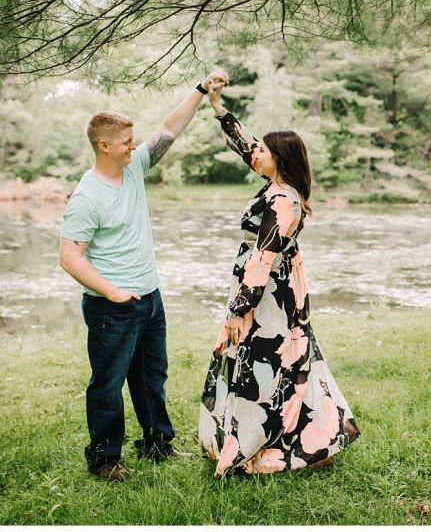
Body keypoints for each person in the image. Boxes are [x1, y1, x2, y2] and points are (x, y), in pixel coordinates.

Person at [60, 71, 227, 482]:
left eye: (133, 140)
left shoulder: (132, 167)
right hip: (111, 305)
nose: (133, 147)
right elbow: (69, 257)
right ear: (104, 145)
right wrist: (114, 293)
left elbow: (169, 129)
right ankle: (103, 459)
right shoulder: (87, 196)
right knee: (108, 384)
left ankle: (157, 444)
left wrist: (201, 91)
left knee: (152, 378)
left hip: (149, 298)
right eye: (125, 142)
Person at [198, 70, 360, 476]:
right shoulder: (275, 183)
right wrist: (217, 106)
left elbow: (264, 256)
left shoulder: (284, 200)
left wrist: (240, 308)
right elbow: (245, 144)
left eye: (265, 151)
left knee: (267, 360)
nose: (257, 154)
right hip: (269, 286)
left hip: (270, 292)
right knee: (281, 357)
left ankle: (260, 442)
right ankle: (288, 434)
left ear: (280, 158)